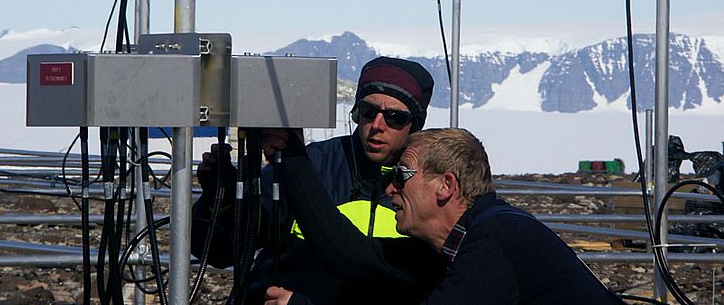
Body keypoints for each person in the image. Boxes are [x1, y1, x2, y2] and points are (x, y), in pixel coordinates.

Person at [264, 128, 625, 305]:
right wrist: (292, 152)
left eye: (401, 175)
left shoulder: (497, 243)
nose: (390, 189)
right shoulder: (460, 246)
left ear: (445, 186)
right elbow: (348, 252)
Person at [191, 56, 445, 304]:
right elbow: (221, 252)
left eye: (395, 117)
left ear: (416, 124)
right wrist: (220, 201)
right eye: (367, 111)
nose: (377, 125)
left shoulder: (425, 191)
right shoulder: (307, 165)